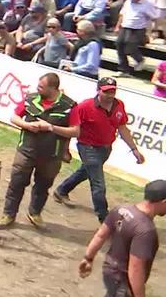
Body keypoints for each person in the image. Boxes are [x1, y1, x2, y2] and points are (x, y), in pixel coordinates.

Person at [49, 179, 166, 297]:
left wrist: (88, 258)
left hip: (111, 272)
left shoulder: (122, 210)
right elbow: (135, 268)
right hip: (123, 286)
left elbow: (101, 234)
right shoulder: (145, 230)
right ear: (163, 202)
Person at [54, 78, 146, 222]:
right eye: (106, 91)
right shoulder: (84, 107)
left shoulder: (119, 105)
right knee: (98, 184)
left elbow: (122, 128)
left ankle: (61, 190)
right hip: (87, 147)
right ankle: (104, 218)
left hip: (105, 148)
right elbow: (72, 127)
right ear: (98, 90)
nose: (110, 94)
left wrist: (134, 149)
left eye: (113, 91)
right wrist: (65, 150)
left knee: (85, 171)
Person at [0, 73, 77, 230]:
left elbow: (75, 131)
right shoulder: (30, 98)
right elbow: (14, 117)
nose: (37, 88)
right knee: (16, 183)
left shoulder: (70, 106)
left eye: (41, 86)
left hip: (52, 156)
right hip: (26, 150)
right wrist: (26, 125)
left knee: (43, 186)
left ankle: (35, 213)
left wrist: (51, 127)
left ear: (53, 88)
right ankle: (8, 214)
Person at [115, 0, 160, 76]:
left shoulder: (148, 3)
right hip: (125, 26)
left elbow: (154, 17)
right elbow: (122, 14)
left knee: (130, 46)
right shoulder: (128, 2)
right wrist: (118, 26)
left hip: (139, 28)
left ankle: (140, 59)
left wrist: (152, 32)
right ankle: (124, 70)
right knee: (119, 44)